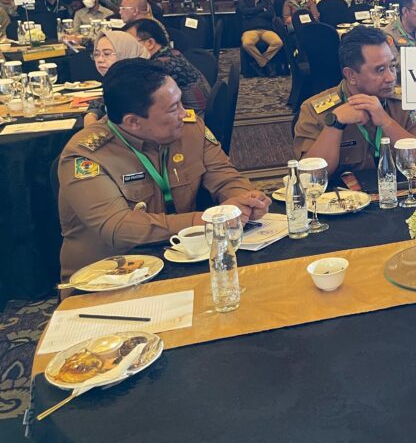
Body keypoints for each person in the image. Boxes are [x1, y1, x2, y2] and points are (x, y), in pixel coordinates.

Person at [58, 59, 268, 281]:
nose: (184, 113)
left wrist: (244, 202)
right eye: (173, 108)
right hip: (109, 277)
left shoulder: (189, 129)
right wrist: (205, 221)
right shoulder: (86, 156)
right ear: (133, 122)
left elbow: (225, 176)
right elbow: (118, 227)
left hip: (185, 259)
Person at [293, 26, 416, 175]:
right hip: (343, 190)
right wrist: (335, 124)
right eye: (380, 70)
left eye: (392, 66)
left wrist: (386, 122)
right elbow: (309, 177)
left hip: (402, 188)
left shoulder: (406, 102)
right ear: (351, 75)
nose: (391, 77)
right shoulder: (315, 110)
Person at [126, 18, 212, 116]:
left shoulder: (160, 66)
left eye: (130, 43)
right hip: (196, 113)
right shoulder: (171, 53)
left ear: (150, 43)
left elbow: (140, 101)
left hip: (193, 119)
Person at [85, 31, 152, 125]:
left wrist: (93, 126)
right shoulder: (116, 81)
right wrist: (91, 114)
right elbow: (103, 101)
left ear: (127, 53)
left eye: (107, 54)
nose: (100, 60)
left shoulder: (143, 84)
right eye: (96, 54)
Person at [235, 0, 283, 71]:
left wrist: (252, 13)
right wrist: (261, 8)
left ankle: (258, 63)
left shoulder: (266, 0)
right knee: (247, 44)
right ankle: (264, 63)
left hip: (266, 30)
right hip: (250, 30)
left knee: (278, 43)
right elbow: (243, 11)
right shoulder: (243, 0)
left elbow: (270, 14)